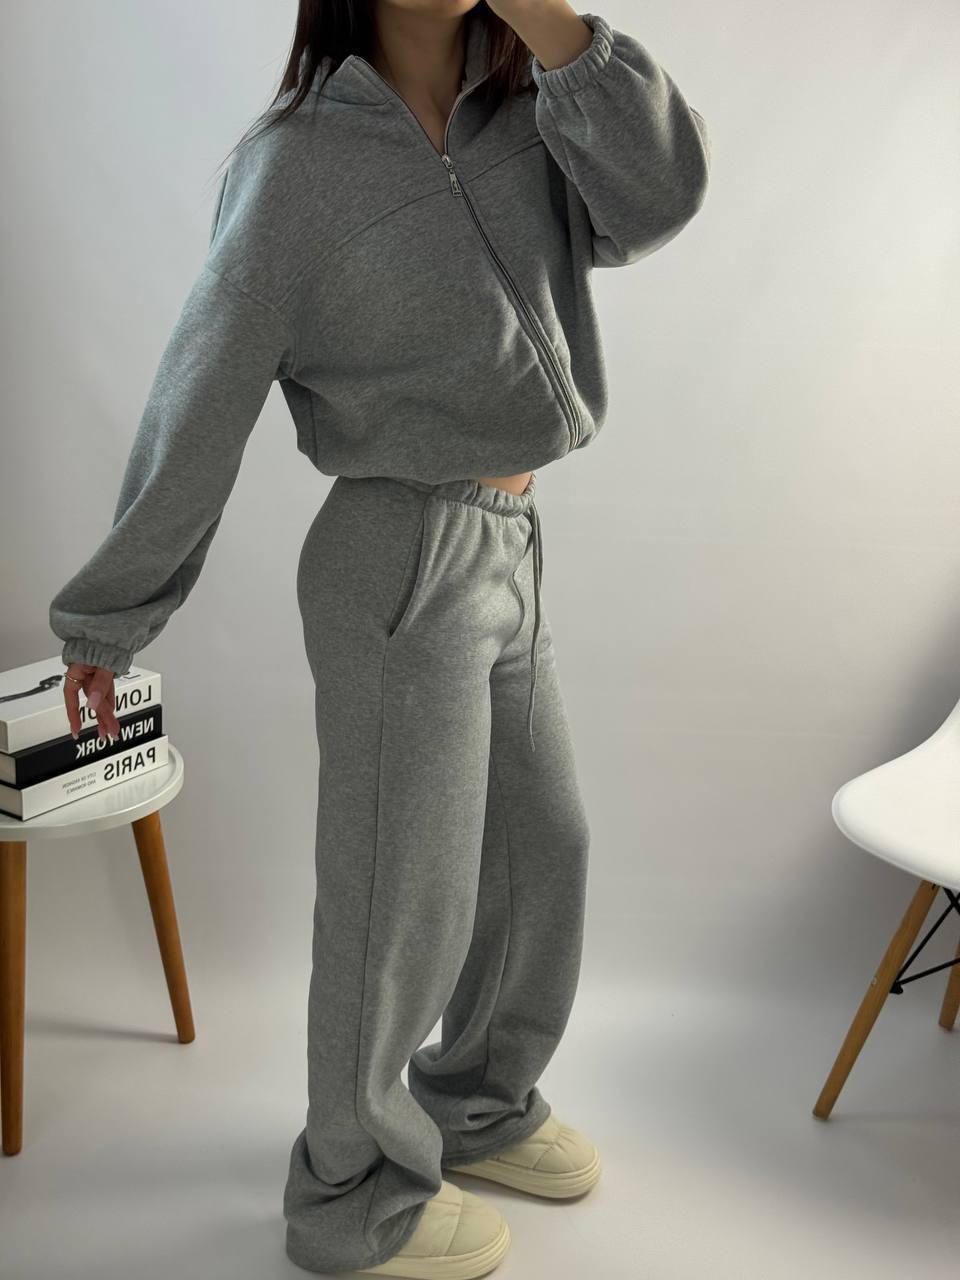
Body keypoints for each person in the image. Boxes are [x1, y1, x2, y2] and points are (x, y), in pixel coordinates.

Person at [49, 2, 709, 1275]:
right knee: (399, 901)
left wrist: (557, 29)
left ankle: (475, 1102)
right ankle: (349, 1194)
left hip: (510, 546)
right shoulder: (296, 166)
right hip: (398, 557)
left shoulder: (539, 115)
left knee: (542, 850)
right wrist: (110, 615)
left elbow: (661, 196)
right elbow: (203, 388)